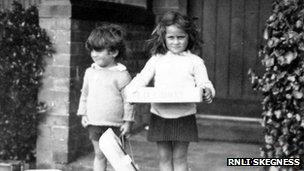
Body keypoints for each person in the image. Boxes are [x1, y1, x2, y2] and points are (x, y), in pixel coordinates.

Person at [126, 11, 215, 171]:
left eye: (181, 37)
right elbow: (141, 79)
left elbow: (204, 83)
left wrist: (208, 90)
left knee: (180, 159)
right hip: (160, 115)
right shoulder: (156, 59)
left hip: (184, 116)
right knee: (164, 158)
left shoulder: (195, 61)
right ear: (163, 37)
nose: (176, 42)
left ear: (189, 37)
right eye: (171, 37)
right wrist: (132, 92)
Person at [77, 24, 134, 171]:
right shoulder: (90, 72)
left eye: (98, 50)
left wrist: (128, 122)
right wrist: (83, 113)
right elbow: (85, 93)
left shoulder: (122, 74)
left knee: (117, 157)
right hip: (95, 122)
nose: (94, 54)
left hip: (116, 124)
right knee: (99, 154)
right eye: (92, 50)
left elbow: (129, 101)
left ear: (114, 52)